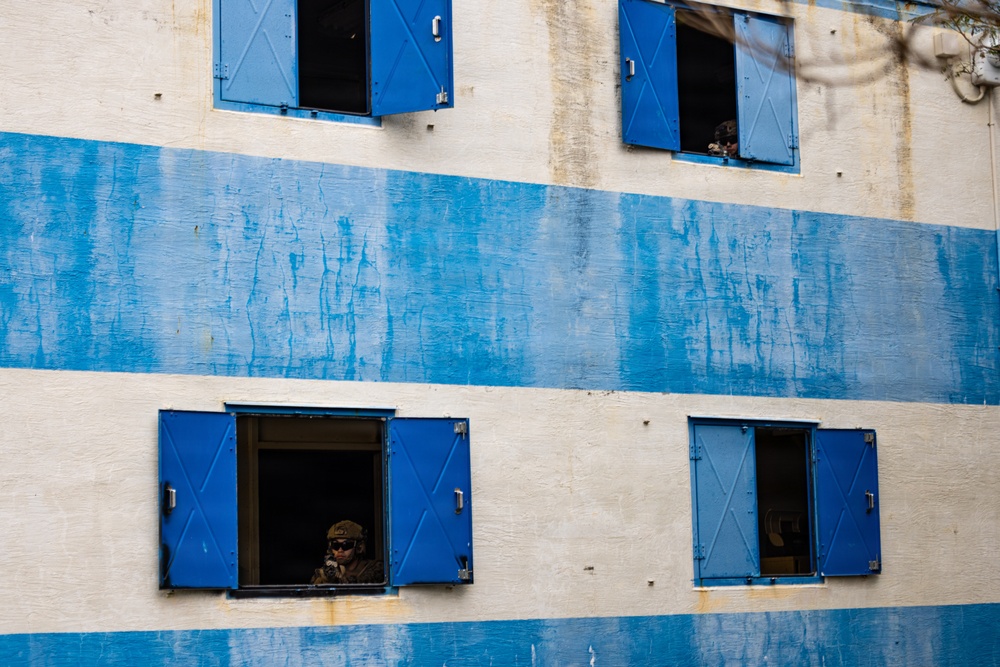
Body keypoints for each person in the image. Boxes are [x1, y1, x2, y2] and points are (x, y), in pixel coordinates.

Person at [310, 520, 385, 585]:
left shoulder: (376, 570)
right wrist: (324, 581)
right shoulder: (325, 573)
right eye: (335, 545)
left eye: (346, 545)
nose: (340, 550)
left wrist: (339, 579)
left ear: (359, 547)